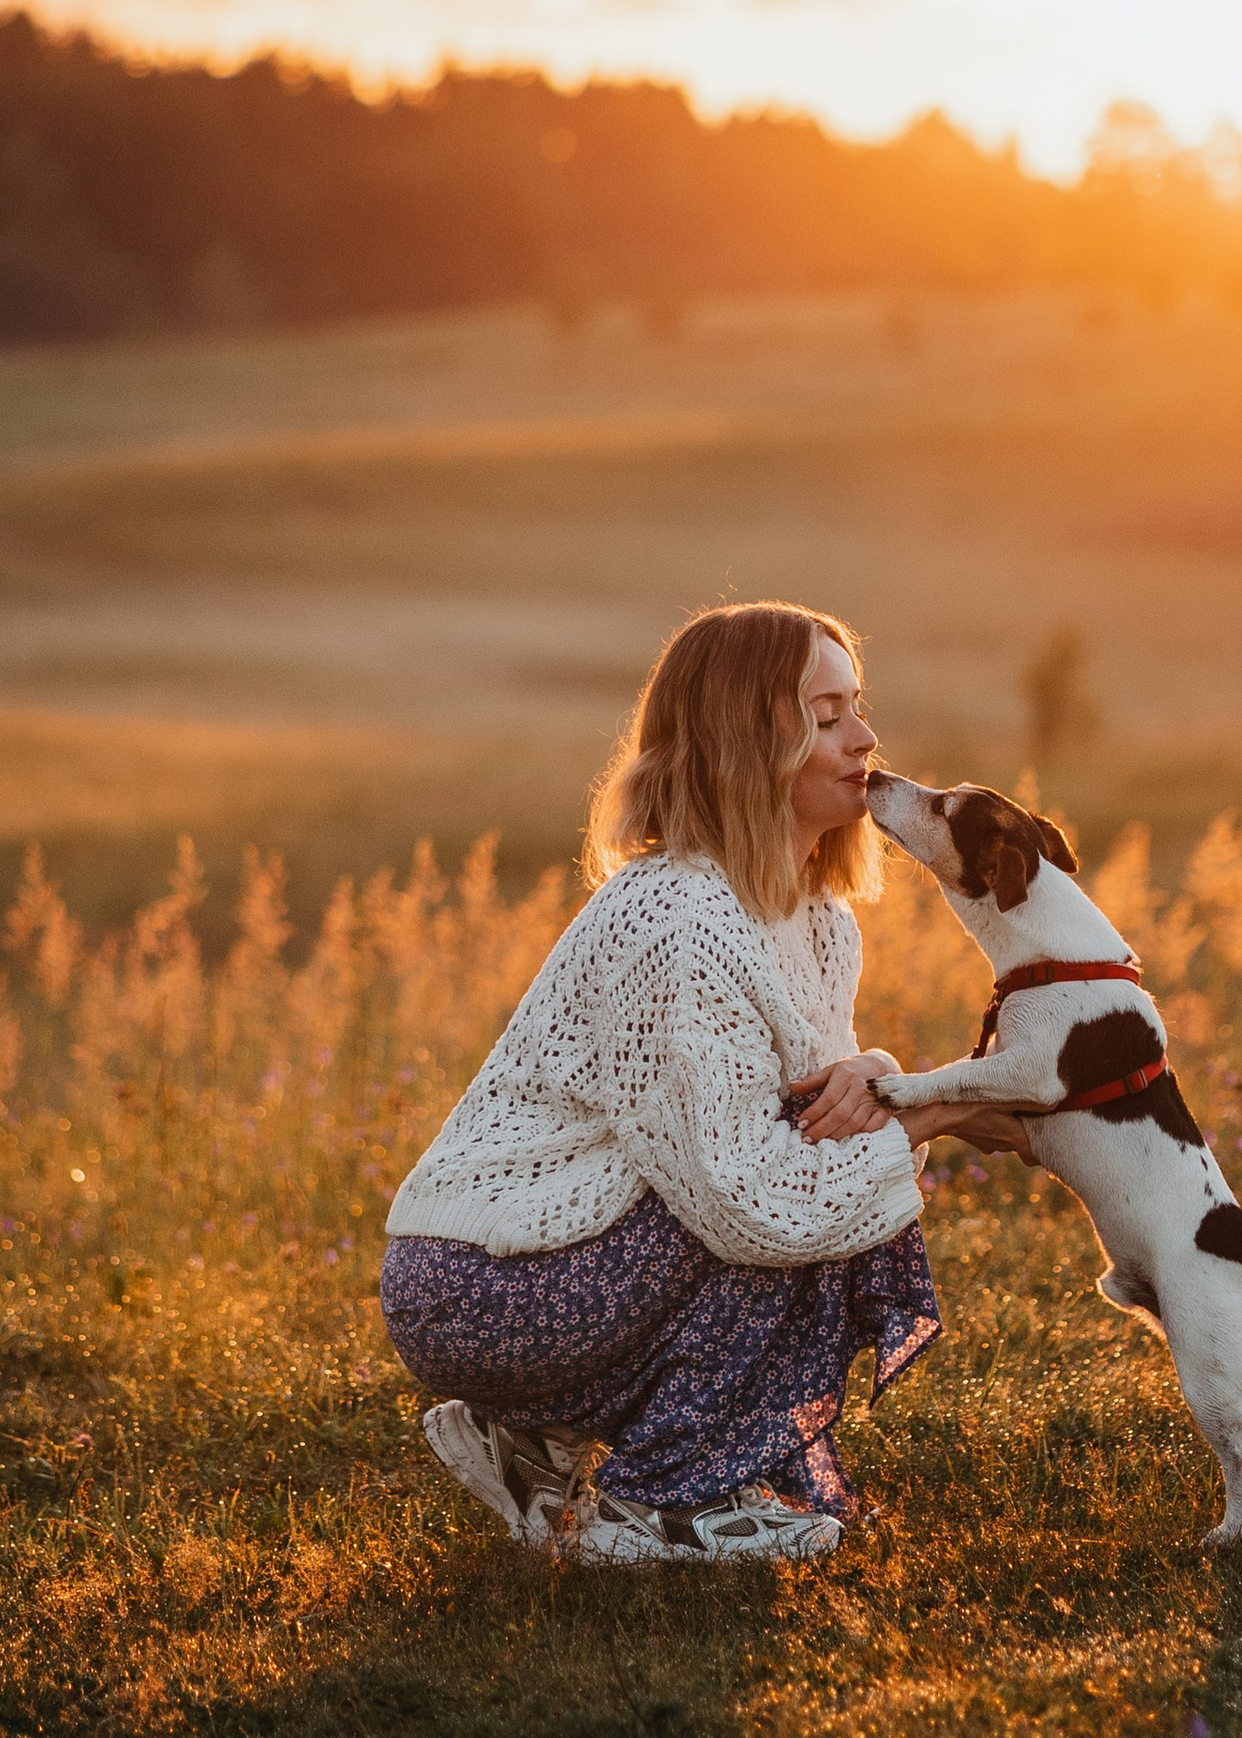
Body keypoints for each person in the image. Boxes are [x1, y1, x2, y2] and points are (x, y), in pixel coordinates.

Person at [379, 601, 1009, 1565]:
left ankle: (538, 1445)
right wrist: (933, 1110)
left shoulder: (818, 917)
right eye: (827, 714)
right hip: (480, 1284)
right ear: (747, 736)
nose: (866, 738)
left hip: (578, 1257)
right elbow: (740, 1199)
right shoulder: (677, 918)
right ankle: (659, 1506)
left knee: (822, 1188)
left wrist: (881, 1079)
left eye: (857, 707)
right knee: (786, 1212)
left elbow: (808, 1107)